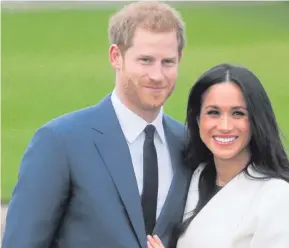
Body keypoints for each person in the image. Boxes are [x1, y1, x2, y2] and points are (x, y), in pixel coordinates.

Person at [2, 1, 192, 248]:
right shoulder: (60, 142)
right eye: (145, 60)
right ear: (116, 57)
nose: (157, 75)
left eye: (167, 62)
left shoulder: (187, 144)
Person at [147, 63, 289, 248]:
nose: (225, 126)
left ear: (255, 121)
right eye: (213, 113)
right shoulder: (191, 177)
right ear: (198, 119)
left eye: (238, 113)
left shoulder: (278, 196)